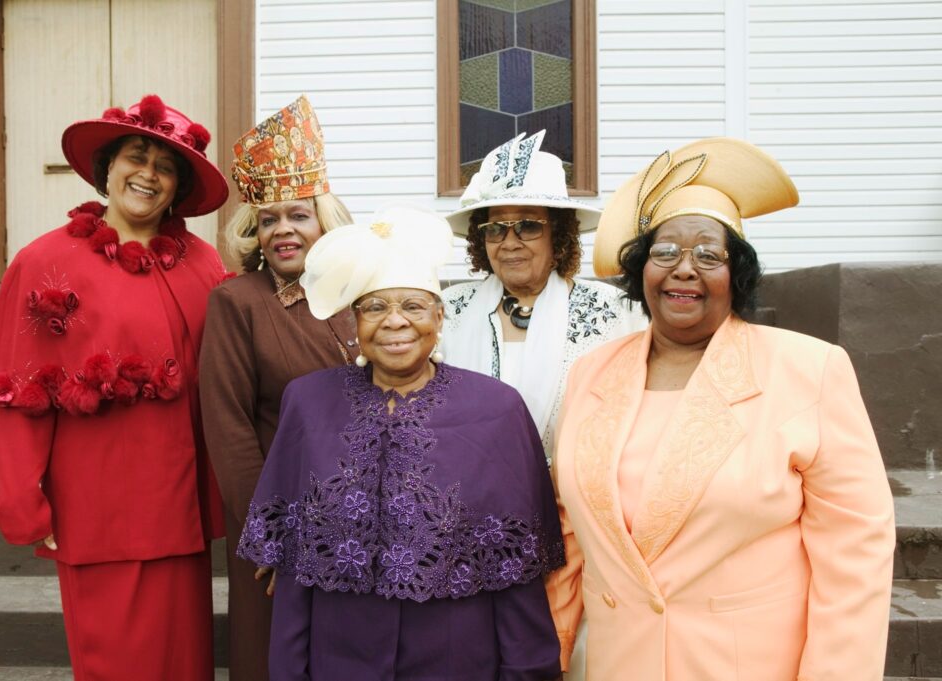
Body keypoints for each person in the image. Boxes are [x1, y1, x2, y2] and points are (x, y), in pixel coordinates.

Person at [548, 137, 895, 680]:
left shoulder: (809, 369)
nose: (685, 268)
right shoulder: (591, 373)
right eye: (665, 252)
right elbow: (568, 530)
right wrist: (553, 650)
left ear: (739, 276)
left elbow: (856, 555)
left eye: (709, 254)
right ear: (641, 270)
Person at [237, 207, 565, 680]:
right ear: (355, 320)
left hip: (458, 657)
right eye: (375, 307)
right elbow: (295, 568)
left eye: (412, 306)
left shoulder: (497, 410)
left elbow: (516, 571)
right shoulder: (307, 403)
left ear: (439, 314)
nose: (395, 322)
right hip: (339, 657)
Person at [0, 94, 230, 680]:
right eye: (135, 158)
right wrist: (23, 497)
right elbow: (20, 392)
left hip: (183, 506)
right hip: (98, 507)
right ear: (106, 169)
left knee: (185, 662)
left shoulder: (203, 263)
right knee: (119, 661)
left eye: (165, 167)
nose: (148, 175)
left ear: (179, 186)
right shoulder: (43, 263)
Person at [199, 94, 356, 681]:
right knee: (277, 658)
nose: (284, 230)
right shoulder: (236, 302)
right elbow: (229, 427)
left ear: (325, 219)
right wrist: (265, 534)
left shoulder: (360, 297)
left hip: (366, 517)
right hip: (281, 521)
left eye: (298, 215)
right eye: (268, 219)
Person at [442, 131, 647, 460]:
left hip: (569, 501)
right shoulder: (449, 311)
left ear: (558, 232)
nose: (510, 242)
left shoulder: (617, 313)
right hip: (468, 497)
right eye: (495, 228)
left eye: (528, 225)